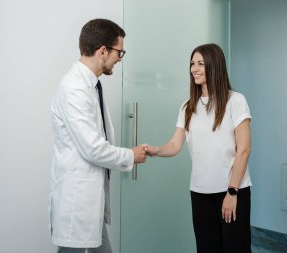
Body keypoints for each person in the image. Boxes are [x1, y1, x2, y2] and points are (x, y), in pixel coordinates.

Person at [49, 18, 147, 253]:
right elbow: (92, 148)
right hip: (78, 200)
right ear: (103, 51)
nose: (119, 59)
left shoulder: (89, 86)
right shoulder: (75, 89)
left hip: (89, 201)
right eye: (119, 52)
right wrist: (130, 155)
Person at [145, 43, 252, 253]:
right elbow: (175, 144)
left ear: (214, 65)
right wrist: (155, 150)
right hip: (200, 192)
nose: (194, 68)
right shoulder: (188, 107)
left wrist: (232, 192)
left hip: (232, 190)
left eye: (200, 63)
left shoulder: (236, 101)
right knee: (206, 248)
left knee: (235, 249)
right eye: (192, 63)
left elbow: (244, 150)